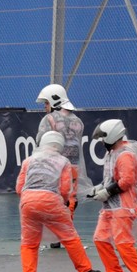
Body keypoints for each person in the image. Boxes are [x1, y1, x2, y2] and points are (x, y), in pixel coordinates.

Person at [16, 131, 101, 272]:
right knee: (70, 238)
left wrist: (29, 199)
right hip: (51, 201)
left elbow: (19, 188)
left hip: (27, 201)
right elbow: (64, 189)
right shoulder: (63, 161)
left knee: (29, 243)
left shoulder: (28, 160)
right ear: (60, 146)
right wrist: (63, 202)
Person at [88, 119, 137, 272]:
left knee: (123, 242)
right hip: (111, 206)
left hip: (124, 206)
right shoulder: (112, 154)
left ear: (112, 135)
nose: (102, 142)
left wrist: (107, 191)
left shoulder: (125, 155)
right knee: (100, 239)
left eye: (103, 138)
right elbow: (111, 179)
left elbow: (127, 180)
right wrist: (99, 188)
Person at [35, 83, 91, 248]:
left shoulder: (49, 119)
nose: (45, 107)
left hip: (54, 166)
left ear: (54, 100)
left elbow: (41, 140)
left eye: (46, 103)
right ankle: (65, 234)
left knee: (52, 198)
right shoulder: (78, 121)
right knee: (69, 200)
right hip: (73, 166)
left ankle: (54, 236)